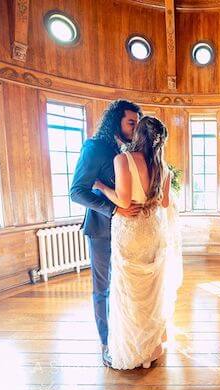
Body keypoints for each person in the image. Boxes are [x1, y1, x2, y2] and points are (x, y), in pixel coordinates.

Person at [93, 116, 183, 369]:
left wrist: (100, 185)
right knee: (151, 291)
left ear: (138, 135)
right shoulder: (164, 168)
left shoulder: (123, 160)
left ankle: (133, 353)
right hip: (153, 230)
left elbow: (122, 201)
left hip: (130, 231)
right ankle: (151, 350)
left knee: (129, 292)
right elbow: (164, 203)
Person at [70, 100, 143, 367]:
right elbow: (77, 191)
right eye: (131, 123)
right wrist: (114, 210)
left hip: (131, 230)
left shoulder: (132, 150)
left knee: (127, 286)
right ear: (116, 121)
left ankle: (127, 337)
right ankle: (105, 343)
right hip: (102, 230)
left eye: (137, 123)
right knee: (103, 289)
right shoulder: (94, 148)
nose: (135, 128)